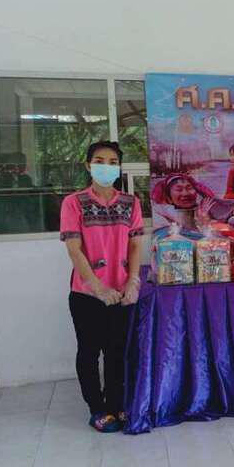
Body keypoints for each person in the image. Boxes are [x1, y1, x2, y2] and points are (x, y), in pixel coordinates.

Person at [60, 141, 143, 433]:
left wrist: (133, 280)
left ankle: (116, 403)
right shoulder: (73, 202)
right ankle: (96, 408)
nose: (105, 166)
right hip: (86, 294)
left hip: (121, 292)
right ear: (88, 165)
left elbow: (135, 245)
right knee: (89, 352)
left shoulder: (131, 202)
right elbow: (74, 249)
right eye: (99, 160)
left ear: (118, 167)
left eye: (112, 162)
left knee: (117, 351)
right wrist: (97, 287)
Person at [151, 173, 233, 233]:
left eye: (189, 188)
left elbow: (227, 227)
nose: (185, 193)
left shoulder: (208, 206)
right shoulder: (161, 211)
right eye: (179, 189)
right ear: (169, 197)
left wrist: (206, 222)